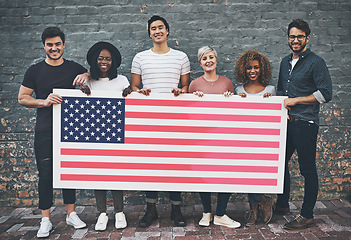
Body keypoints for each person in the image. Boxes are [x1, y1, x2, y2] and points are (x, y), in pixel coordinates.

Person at [18, 27, 89, 238]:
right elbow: (22, 98)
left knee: (68, 173)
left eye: (58, 44)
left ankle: (71, 214)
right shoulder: (35, 71)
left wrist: (86, 74)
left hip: (69, 130)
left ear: (64, 45)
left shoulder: (74, 68)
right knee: (46, 175)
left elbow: (91, 78)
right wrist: (44, 101)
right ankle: (46, 219)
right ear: (44, 46)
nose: (54, 48)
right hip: (45, 130)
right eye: (50, 44)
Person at [130, 15, 190, 227]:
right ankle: (151, 209)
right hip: (149, 119)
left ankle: (176, 209)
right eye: (153, 28)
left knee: (175, 163)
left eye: (161, 27)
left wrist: (179, 91)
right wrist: (141, 91)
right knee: (151, 163)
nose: (157, 31)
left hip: (175, 119)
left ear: (167, 31)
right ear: (149, 33)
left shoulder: (181, 57)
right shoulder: (139, 57)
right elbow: (134, 88)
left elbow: (186, 88)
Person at [276, 19, 332, 230]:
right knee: (280, 163)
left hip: (306, 123)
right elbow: (282, 91)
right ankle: (282, 205)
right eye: (292, 36)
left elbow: (326, 94)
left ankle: (307, 215)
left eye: (300, 36)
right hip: (288, 123)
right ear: (288, 38)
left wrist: (297, 101)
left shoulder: (316, 62)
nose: (296, 40)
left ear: (307, 38)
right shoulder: (284, 62)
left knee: (307, 169)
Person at [80, 42, 131, 231]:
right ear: (94, 60)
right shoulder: (89, 82)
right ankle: (101, 212)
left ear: (114, 61)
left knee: (115, 173)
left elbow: (131, 103)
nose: (104, 61)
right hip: (94, 136)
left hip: (117, 134)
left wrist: (129, 94)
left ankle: (119, 211)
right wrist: (83, 92)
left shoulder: (122, 80)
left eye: (108, 58)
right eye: (100, 58)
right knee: (98, 174)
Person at [189, 46, 240, 229]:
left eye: (211, 57)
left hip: (223, 136)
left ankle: (220, 213)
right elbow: (189, 115)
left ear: (216, 60)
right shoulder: (194, 84)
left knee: (225, 173)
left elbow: (234, 111)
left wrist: (229, 97)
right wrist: (194, 99)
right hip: (202, 137)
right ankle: (206, 212)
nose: (208, 60)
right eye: (204, 58)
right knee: (203, 175)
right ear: (200, 62)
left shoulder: (227, 82)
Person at [234, 50, 275, 226]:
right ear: (243, 69)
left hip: (264, 139)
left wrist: (270, 101)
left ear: (262, 68)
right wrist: (238, 100)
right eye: (249, 68)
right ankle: (260, 202)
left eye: (256, 67)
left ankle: (255, 207)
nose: (252, 71)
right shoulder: (238, 90)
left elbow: (275, 115)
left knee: (257, 174)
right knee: (246, 173)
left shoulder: (271, 90)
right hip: (244, 138)